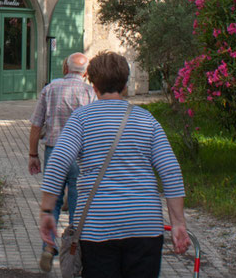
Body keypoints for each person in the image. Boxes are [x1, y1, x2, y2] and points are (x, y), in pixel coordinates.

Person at [38, 51, 189, 278]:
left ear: (93, 84)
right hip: (145, 226)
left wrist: (47, 211)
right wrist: (178, 223)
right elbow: (170, 170)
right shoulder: (147, 120)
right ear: (125, 84)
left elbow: (58, 163)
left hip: (97, 228)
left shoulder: (81, 120)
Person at [28, 51, 96, 271]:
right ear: (85, 72)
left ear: (65, 69)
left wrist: (32, 155)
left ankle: (47, 248)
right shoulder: (90, 93)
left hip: (54, 151)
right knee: (78, 205)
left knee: (53, 203)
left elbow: (36, 124)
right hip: (80, 155)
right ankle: (75, 256)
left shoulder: (50, 89)